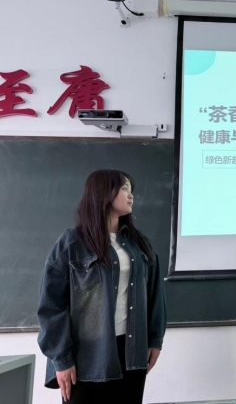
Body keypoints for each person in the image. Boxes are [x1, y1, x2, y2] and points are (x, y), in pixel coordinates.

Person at [37, 170, 167, 403]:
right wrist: (62, 359)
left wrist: (155, 340)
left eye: (131, 190)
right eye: (124, 189)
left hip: (131, 352)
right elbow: (52, 306)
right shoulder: (72, 244)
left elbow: (156, 295)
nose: (131, 196)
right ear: (104, 192)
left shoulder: (139, 244)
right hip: (86, 356)